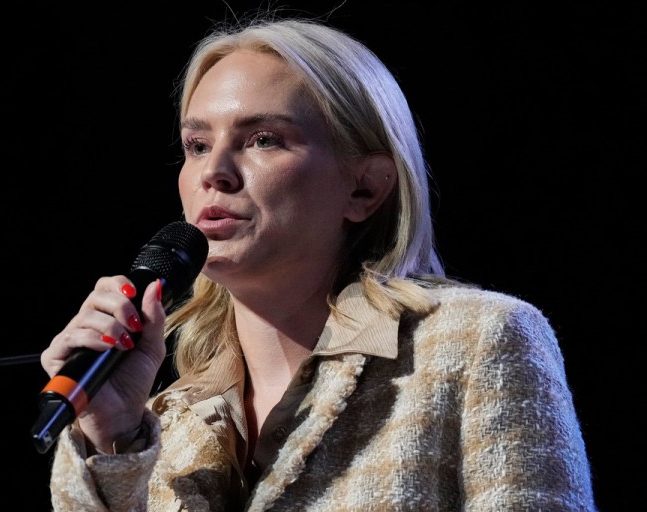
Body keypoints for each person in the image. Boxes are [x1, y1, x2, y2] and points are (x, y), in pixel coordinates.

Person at [40, 14, 597, 511]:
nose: (215, 172)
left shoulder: (477, 344)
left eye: (263, 139)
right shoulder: (166, 421)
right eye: (197, 145)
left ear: (365, 187)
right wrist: (111, 435)